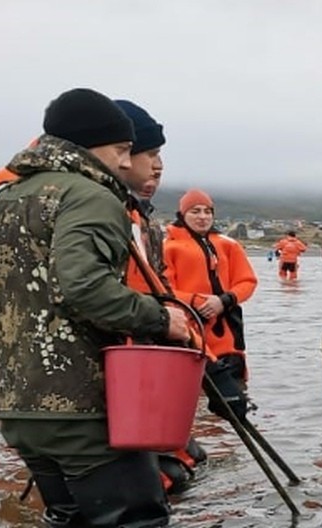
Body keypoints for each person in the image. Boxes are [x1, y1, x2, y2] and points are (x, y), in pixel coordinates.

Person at [0, 87, 189, 528]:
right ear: (90, 146)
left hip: (22, 415)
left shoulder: (3, 200)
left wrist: (19, 357)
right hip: (87, 410)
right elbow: (85, 285)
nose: (125, 162)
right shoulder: (92, 196)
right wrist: (159, 318)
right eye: (121, 150)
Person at [114, 99, 208, 493]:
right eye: (150, 154)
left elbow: (159, 289)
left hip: (175, 341)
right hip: (133, 353)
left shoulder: (143, 222)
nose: (158, 166)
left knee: (186, 462)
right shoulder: (105, 213)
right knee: (155, 482)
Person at [164, 189, 258, 420]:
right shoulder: (168, 247)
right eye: (195, 211)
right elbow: (162, 290)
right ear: (182, 214)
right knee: (190, 403)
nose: (203, 217)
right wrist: (196, 300)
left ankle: (228, 451)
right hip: (189, 334)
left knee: (234, 402)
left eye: (208, 212)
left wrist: (224, 300)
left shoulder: (229, 245)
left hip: (228, 338)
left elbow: (248, 282)